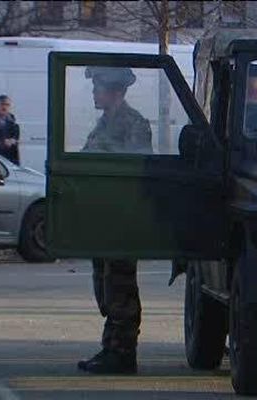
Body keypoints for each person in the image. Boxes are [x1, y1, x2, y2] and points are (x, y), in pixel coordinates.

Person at [77, 67, 152, 374]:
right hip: (103, 217)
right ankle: (111, 347)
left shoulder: (133, 124)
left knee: (120, 284)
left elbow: (137, 167)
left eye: (99, 87)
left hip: (122, 218)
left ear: (116, 91)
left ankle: (123, 353)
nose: (95, 92)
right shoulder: (103, 124)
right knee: (106, 285)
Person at [0, 95, 20, 164]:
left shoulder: (13, 122)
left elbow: (15, 142)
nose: (4, 107)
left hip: (7, 161)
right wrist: (2, 142)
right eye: (2, 104)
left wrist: (13, 141)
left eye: (7, 105)